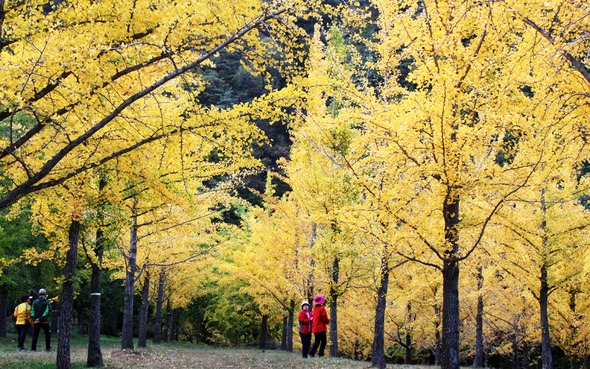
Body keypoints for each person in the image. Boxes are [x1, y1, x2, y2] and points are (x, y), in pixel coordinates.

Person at [309, 293, 330, 358]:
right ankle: (320, 354)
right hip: (320, 327)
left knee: (317, 342)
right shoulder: (322, 308)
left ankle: (311, 354)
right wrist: (328, 321)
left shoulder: (314, 309)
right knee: (323, 342)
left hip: (315, 328)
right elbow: (324, 317)